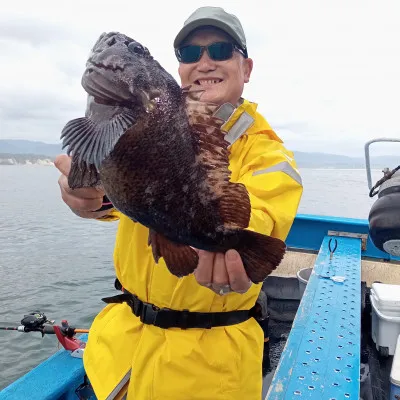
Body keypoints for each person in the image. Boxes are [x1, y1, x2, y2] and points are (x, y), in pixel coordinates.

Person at [55, 6, 303, 400]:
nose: (205, 62)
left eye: (220, 49)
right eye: (190, 54)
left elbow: (262, 215)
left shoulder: (270, 154)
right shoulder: (157, 117)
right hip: (119, 354)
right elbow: (131, 194)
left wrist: (224, 238)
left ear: (247, 67)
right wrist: (89, 198)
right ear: (180, 69)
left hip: (209, 370)